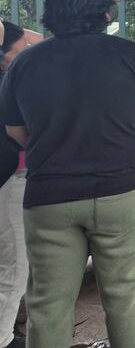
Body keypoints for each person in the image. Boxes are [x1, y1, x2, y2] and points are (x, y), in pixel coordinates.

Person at [0, 0, 135, 348]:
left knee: (48, 306)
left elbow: (15, 133)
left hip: (49, 198)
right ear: (104, 13)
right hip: (123, 193)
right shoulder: (131, 55)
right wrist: (125, 150)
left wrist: (57, 147)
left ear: (50, 15)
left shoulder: (24, 65)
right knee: (126, 300)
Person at [0, 22, 44, 348]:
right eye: (23, 51)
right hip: (10, 181)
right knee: (14, 269)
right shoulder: (9, 83)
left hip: (16, 178)